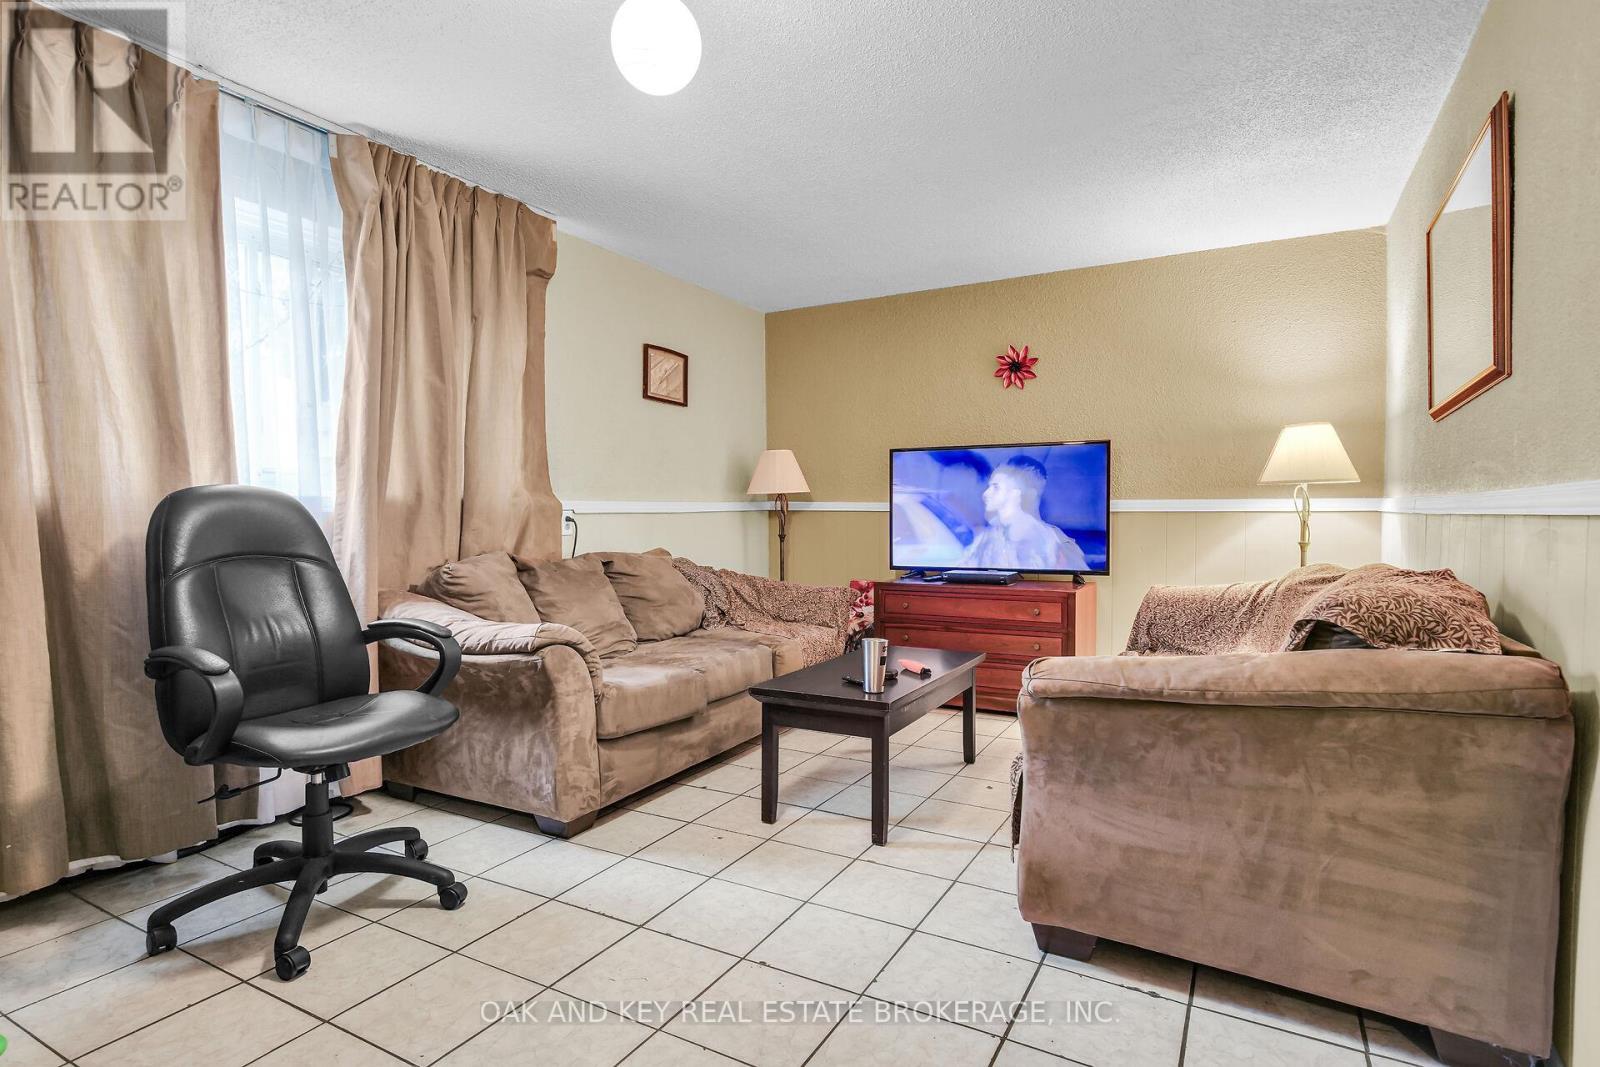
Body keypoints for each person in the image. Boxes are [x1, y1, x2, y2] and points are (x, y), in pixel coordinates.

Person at [960, 456, 1090, 571]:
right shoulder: (986, 538)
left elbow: (1075, 579)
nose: (985, 494)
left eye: (996, 487)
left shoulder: (1052, 540)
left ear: (1016, 493)